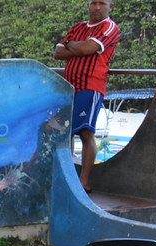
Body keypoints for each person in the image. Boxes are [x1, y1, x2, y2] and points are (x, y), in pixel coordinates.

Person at [53, 0, 120, 192]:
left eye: (102, 3)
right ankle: (69, 177)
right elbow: (58, 53)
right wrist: (77, 46)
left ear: (110, 6)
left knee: (86, 132)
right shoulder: (78, 27)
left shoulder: (109, 27)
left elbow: (88, 49)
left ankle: (84, 182)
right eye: (93, 3)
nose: (97, 7)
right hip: (69, 87)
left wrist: (70, 45)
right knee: (65, 132)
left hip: (91, 86)